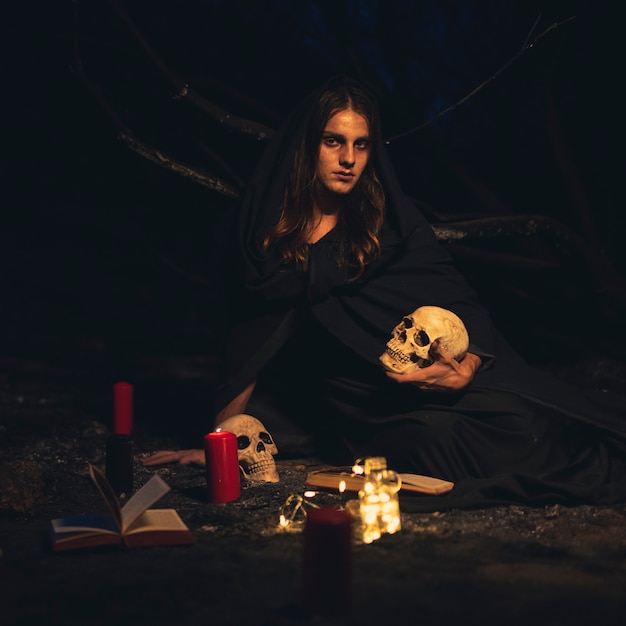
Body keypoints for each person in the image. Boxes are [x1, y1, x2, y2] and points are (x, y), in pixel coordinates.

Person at [143, 75, 626, 511]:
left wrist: (469, 363)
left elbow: (461, 300)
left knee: (527, 422)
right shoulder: (263, 238)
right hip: (366, 407)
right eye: (334, 142)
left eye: (361, 145)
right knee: (434, 441)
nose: (348, 159)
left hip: (431, 380)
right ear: (307, 145)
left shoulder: (388, 223)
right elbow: (249, 336)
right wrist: (223, 440)